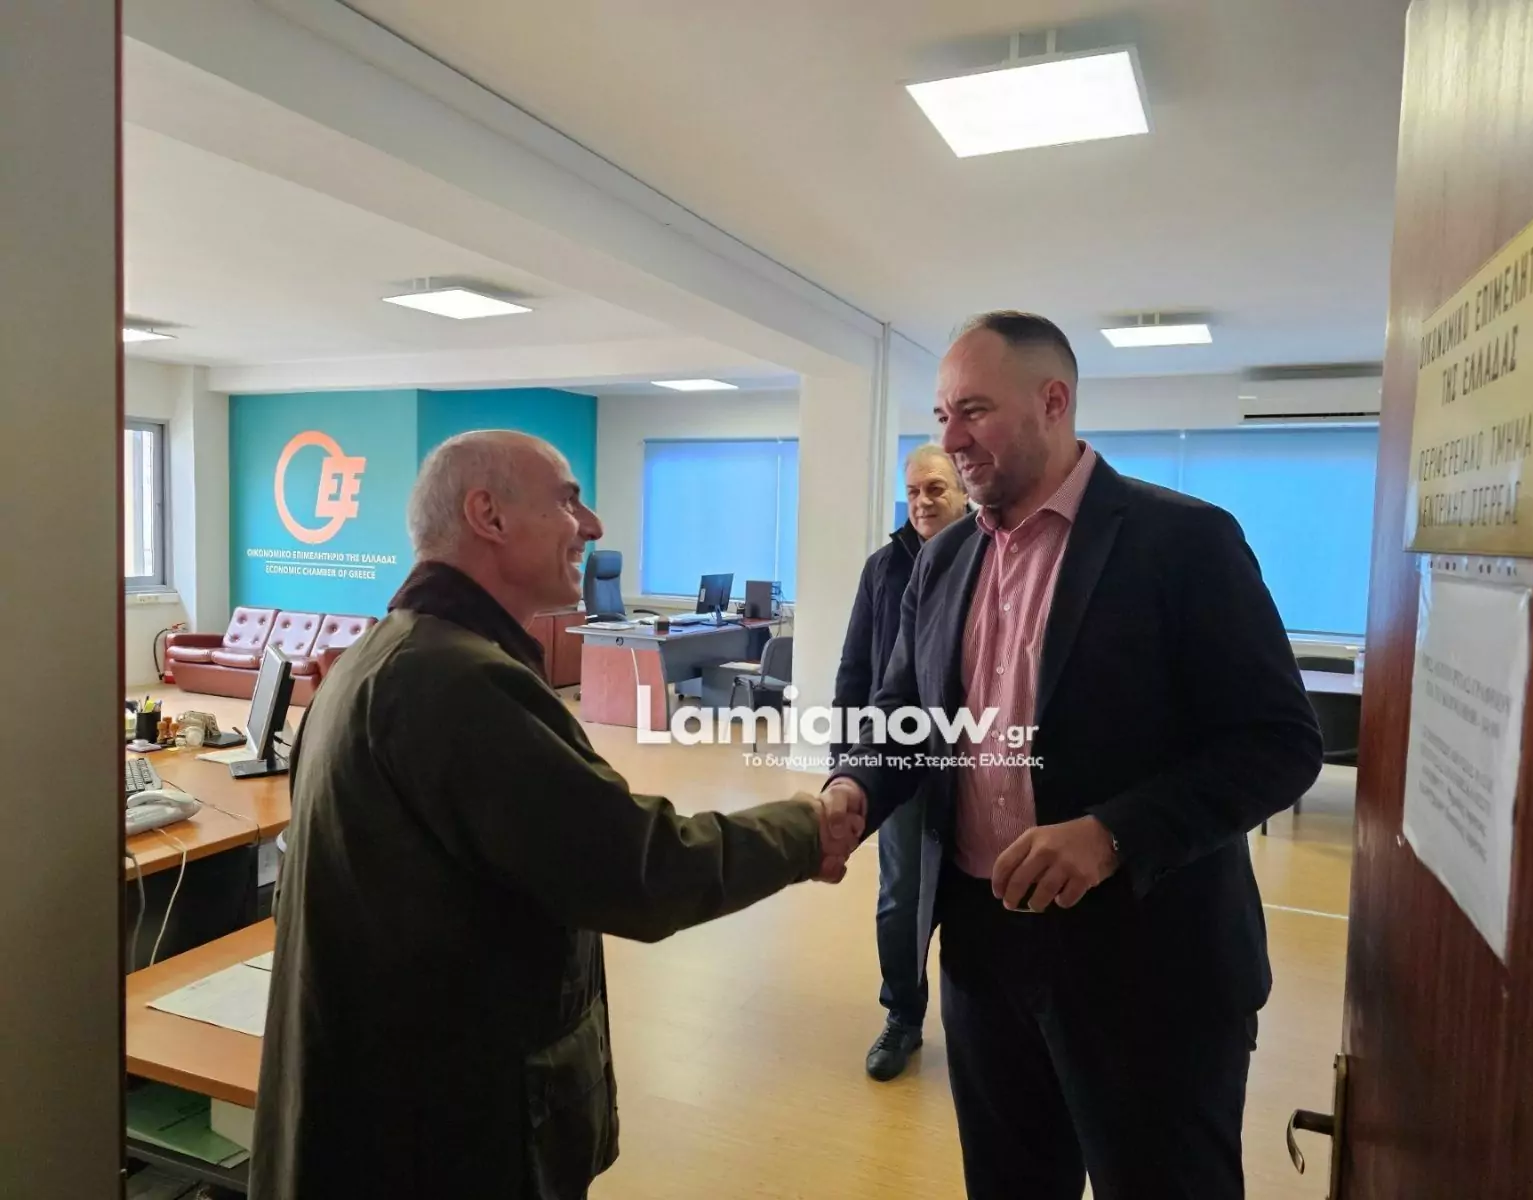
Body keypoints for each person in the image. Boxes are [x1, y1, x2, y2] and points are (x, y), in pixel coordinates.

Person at [251, 430, 863, 1200]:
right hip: (444, 1136)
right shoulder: (459, 684)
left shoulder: (383, 658)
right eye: (568, 501)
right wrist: (807, 827)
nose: (594, 526)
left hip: (386, 1110)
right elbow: (641, 869)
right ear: (488, 516)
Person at [823, 313, 1322, 1199]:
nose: (951, 439)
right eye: (941, 414)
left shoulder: (1185, 541)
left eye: (974, 411)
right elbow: (904, 714)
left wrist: (1111, 834)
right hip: (982, 952)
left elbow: (1280, 742)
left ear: (1053, 402)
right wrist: (853, 786)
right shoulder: (942, 562)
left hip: (1149, 961)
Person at [830, 443, 968, 1081]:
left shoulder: (990, 555)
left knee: (980, 894)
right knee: (901, 899)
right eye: (913, 491)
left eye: (935, 488)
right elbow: (855, 667)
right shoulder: (884, 569)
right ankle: (903, 1016)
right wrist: (847, 764)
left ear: (963, 492)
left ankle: (982, 1021)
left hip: (977, 762)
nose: (922, 502)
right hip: (902, 761)